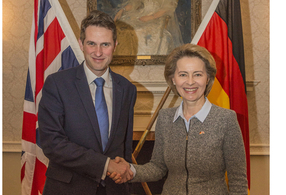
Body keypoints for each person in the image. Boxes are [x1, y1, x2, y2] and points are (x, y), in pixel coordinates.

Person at [109, 43, 248, 194]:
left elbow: (238, 181)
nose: (190, 81)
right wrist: (130, 170)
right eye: (183, 74)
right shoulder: (165, 118)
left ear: (208, 78)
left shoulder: (226, 120)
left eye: (197, 74)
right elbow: (158, 167)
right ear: (173, 79)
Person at [38, 10, 136, 195]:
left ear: (115, 45)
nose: (98, 52)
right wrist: (106, 165)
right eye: (91, 43)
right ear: (81, 44)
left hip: (114, 190)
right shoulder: (57, 84)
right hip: (68, 189)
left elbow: (125, 147)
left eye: (105, 44)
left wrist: (124, 176)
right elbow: (52, 143)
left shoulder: (127, 89)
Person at [112, 0, 183, 55]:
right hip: (142, 14)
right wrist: (122, 10)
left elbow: (168, 8)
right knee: (120, 27)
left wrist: (151, 17)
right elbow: (134, 4)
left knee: (138, 31)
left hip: (157, 18)